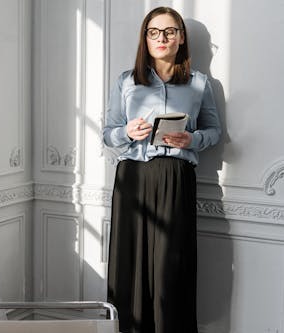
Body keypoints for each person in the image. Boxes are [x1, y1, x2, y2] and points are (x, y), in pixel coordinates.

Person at [102, 7, 221, 333]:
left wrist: (191, 138)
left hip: (175, 178)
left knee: (171, 266)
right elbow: (108, 132)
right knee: (131, 262)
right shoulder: (127, 81)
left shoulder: (199, 83)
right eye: (154, 32)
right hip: (133, 177)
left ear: (181, 38)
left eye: (169, 31)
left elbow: (214, 131)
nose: (162, 38)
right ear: (145, 38)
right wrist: (128, 132)